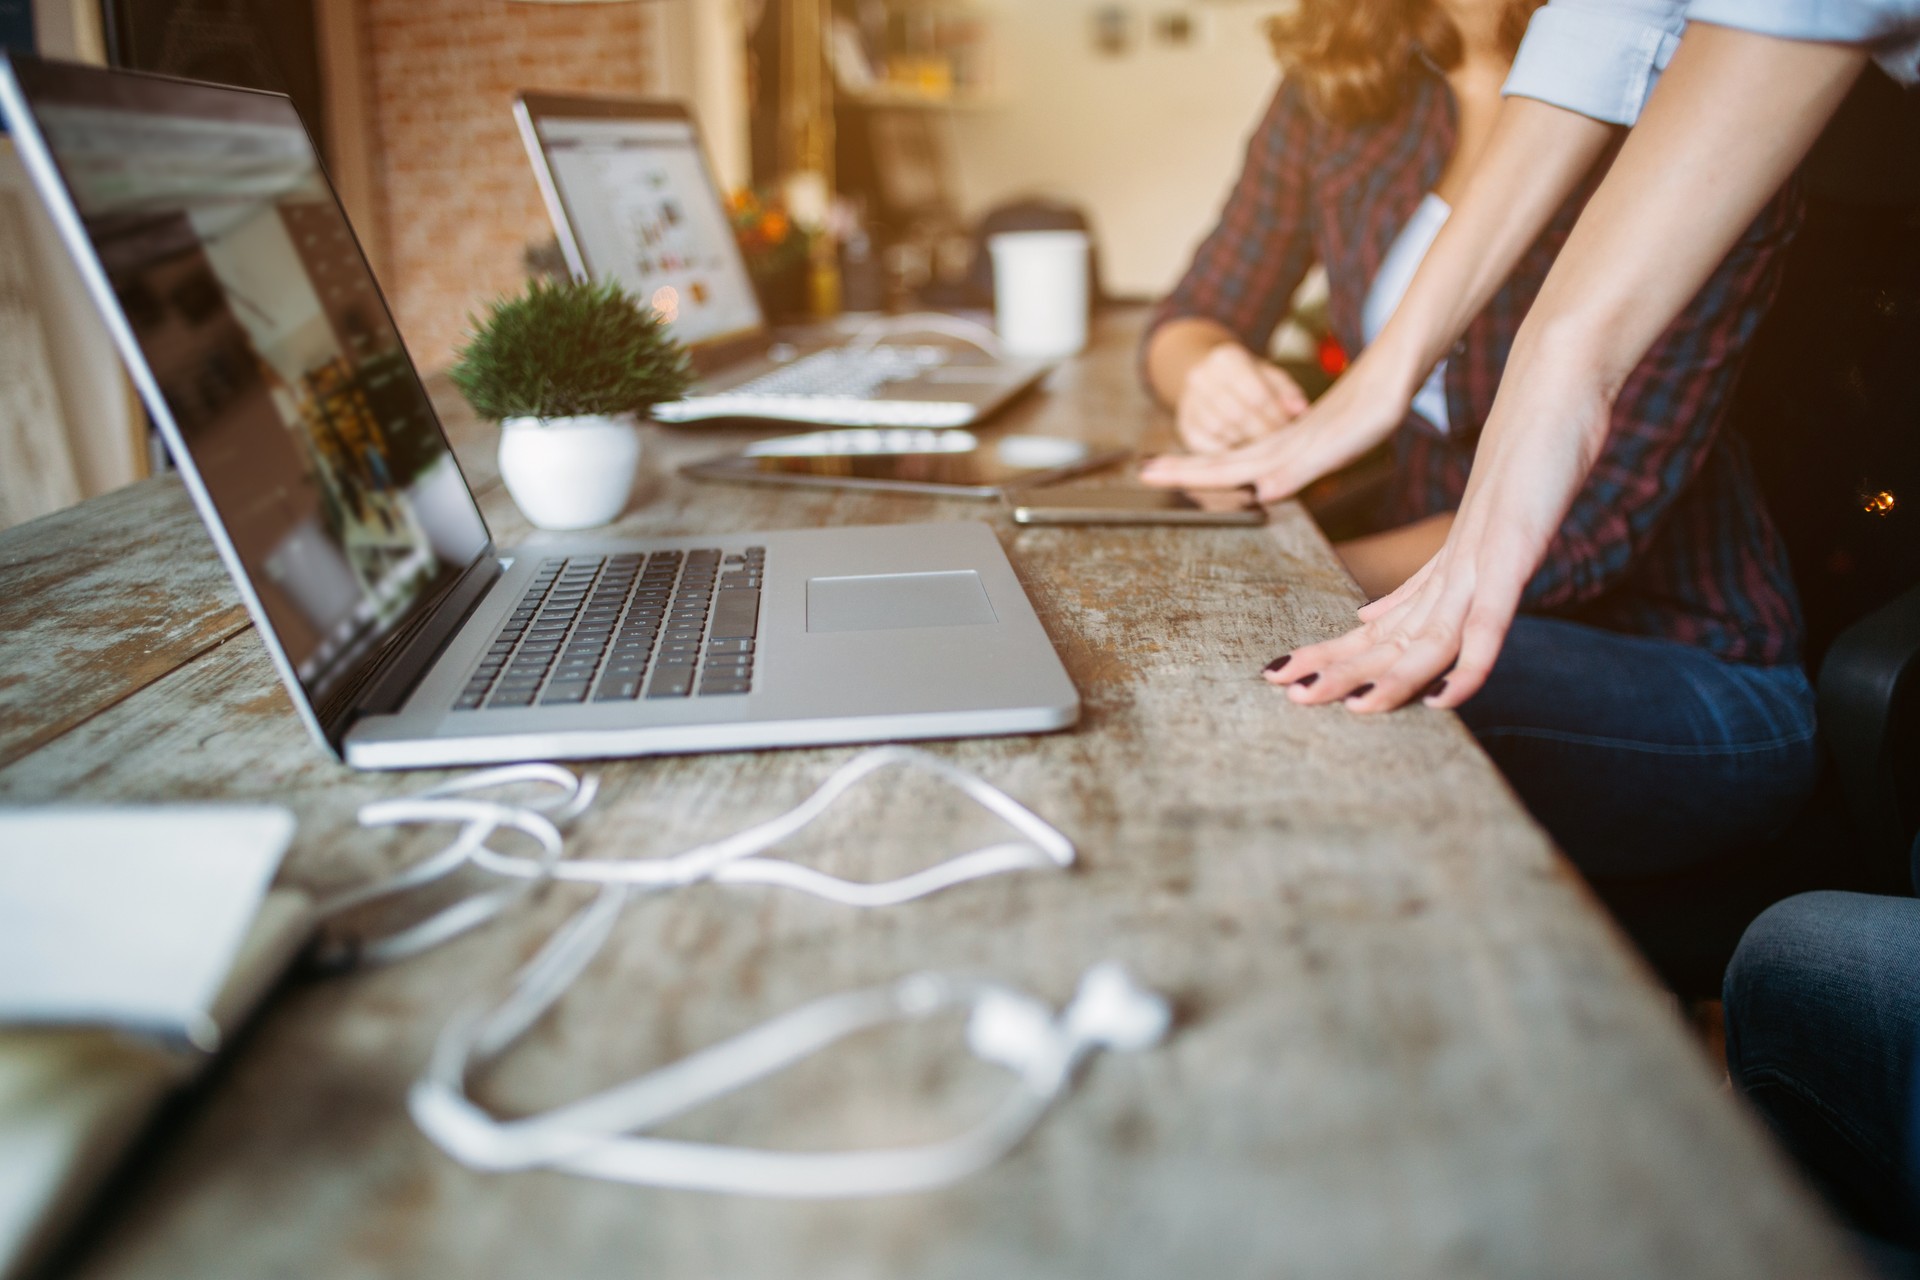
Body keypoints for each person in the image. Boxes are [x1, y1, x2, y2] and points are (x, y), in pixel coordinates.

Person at [1142, 0, 1817, 875]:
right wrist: (1208, 374)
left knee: (1300, 700)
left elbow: (1580, 529)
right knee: (1238, 670)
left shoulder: (1681, 76)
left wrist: (1268, 574)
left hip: (1680, 650)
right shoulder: (1362, 76)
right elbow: (1200, 313)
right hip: (1430, 592)